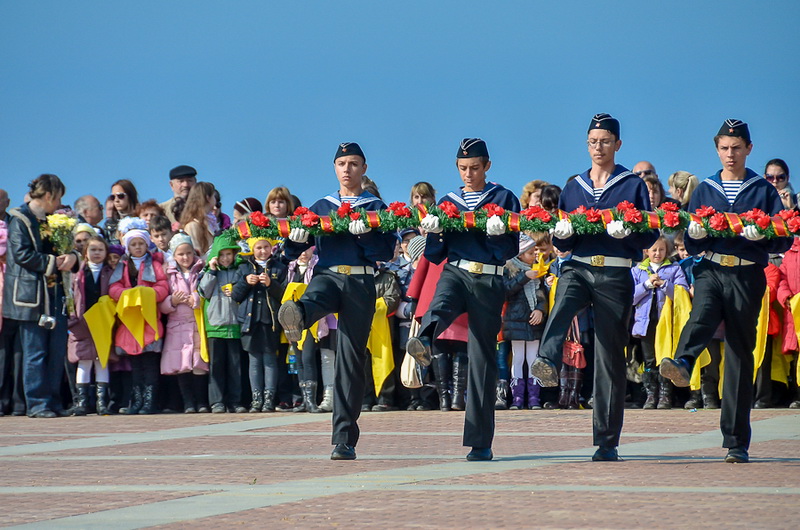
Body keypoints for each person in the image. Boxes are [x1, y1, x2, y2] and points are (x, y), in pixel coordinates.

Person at [660, 119, 792, 464]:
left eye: (736, 147)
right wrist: (697, 235)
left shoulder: (763, 190)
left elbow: (783, 236)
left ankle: (736, 441)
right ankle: (684, 361)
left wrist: (762, 235)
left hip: (747, 275)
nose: (730, 154)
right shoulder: (705, 188)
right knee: (701, 311)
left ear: (749, 148)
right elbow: (689, 236)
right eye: (724, 148)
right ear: (716, 149)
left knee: (738, 353)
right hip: (712, 267)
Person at [532, 114, 658, 461]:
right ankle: (547, 359)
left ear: (617, 144)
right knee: (562, 304)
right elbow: (562, 238)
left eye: (604, 141)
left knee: (608, 356)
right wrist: (561, 234)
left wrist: (629, 233)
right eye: (592, 141)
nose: (598, 147)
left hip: (615, 273)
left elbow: (650, 233)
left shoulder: (632, 184)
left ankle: (606, 440)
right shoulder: (574, 185)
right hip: (579, 266)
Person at [277, 142, 396, 460]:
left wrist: (365, 235)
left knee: (350, 358)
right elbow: (288, 252)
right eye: (342, 163)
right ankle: (298, 314)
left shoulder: (377, 208)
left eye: (354, 163)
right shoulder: (320, 206)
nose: (348, 169)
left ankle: (343, 439)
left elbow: (385, 252)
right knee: (314, 295)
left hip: (361, 281)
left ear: (364, 169)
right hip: (327, 273)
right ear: (334, 168)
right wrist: (296, 239)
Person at [406, 138, 520, 461]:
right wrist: (434, 231)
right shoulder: (448, 201)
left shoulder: (504, 197)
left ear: (487, 166)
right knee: (440, 304)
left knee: (482, 359)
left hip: (489, 279)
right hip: (456, 271)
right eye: (462, 168)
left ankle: (480, 442)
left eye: (473, 168)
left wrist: (497, 233)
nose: (468, 174)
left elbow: (508, 251)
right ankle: (425, 340)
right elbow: (435, 253)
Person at [3, 174, 79, 417]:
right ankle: (37, 403)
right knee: (35, 352)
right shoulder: (19, 219)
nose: (59, 204)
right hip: (29, 298)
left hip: (55, 295)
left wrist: (73, 258)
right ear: (48, 195)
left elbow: (67, 248)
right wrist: (53, 262)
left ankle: (54, 401)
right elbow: (21, 255)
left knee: (56, 351)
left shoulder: (53, 219)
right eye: (58, 198)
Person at [109, 224, 169, 415]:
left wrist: (147, 294)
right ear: (128, 247)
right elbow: (113, 288)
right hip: (130, 321)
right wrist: (129, 295)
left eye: (141, 243)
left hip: (149, 320)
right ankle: (136, 401)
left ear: (146, 245)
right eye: (133, 244)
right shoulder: (123, 266)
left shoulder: (155, 265)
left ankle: (150, 402)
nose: (137, 247)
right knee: (135, 366)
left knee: (150, 365)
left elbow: (163, 287)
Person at [630, 236, 689, 409]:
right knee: (649, 360)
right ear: (646, 251)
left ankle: (665, 395)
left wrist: (664, 284)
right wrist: (647, 284)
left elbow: (681, 293)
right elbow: (630, 297)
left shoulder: (674, 268)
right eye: (654, 250)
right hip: (645, 323)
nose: (657, 253)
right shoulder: (638, 270)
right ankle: (650, 394)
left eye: (661, 250)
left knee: (665, 358)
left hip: (666, 322)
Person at [233, 237, 287, 413]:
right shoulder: (244, 268)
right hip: (249, 322)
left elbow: (284, 295)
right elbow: (235, 295)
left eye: (266, 247)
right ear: (252, 249)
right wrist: (245, 282)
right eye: (258, 248)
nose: (263, 251)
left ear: (272, 248)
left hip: (269, 321)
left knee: (270, 360)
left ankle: (269, 399)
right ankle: (256, 399)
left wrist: (271, 284)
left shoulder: (279, 267)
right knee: (254, 360)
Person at [159, 233, 209, 413]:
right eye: (181, 254)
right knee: (181, 365)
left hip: (196, 324)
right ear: (174, 255)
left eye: (188, 253)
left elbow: (207, 292)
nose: (185, 257)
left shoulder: (202, 269)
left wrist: (196, 299)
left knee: (199, 364)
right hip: (177, 326)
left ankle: (202, 402)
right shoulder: (168, 273)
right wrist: (171, 301)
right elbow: (161, 303)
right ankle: (188, 403)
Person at [199, 232, 247, 413]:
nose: (225, 258)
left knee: (236, 367)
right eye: (222, 254)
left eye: (229, 254)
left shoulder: (240, 270)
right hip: (215, 324)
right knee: (216, 367)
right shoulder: (208, 271)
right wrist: (211, 270)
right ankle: (217, 401)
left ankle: (236, 401)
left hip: (235, 323)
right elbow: (204, 291)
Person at [67, 235, 114, 415]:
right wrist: (73, 320)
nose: (96, 253)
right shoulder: (76, 274)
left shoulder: (110, 272)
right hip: (82, 323)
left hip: (102, 322)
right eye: (93, 249)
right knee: (84, 362)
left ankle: (102, 402)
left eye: (100, 250)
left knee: (102, 362)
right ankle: (82, 402)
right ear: (85, 253)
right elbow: (70, 297)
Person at [502, 234, 548, 410]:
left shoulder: (538, 271)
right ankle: (518, 398)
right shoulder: (510, 269)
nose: (534, 256)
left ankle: (534, 397)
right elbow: (506, 291)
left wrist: (540, 310)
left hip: (533, 321)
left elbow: (541, 295)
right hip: (515, 321)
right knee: (518, 358)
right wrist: (525, 277)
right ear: (520, 254)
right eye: (530, 253)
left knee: (533, 358)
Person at [180, 182, 217, 256]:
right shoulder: (192, 226)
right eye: (213, 196)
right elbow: (196, 255)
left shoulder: (211, 221)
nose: (215, 199)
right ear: (208, 198)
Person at [106, 179, 140, 244]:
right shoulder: (109, 224)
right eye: (113, 197)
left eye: (120, 196)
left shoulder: (142, 220)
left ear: (130, 196)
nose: (116, 200)